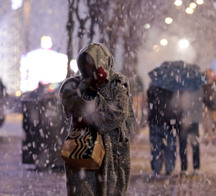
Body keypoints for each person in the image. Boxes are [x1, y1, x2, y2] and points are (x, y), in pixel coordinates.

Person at [60, 43, 135, 195]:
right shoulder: (74, 86)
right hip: (82, 148)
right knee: (83, 190)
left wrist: (91, 118)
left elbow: (119, 114)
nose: (90, 67)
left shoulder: (118, 84)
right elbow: (77, 110)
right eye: (86, 62)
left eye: (93, 62)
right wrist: (91, 89)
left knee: (111, 190)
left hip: (113, 151)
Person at [146, 84, 178, 176]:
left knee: (156, 147)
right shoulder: (172, 88)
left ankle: (156, 168)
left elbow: (149, 103)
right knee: (170, 147)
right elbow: (175, 105)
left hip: (155, 122)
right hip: (168, 122)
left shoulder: (152, 88)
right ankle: (169, 167)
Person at [178, 86, 203, 175]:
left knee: (186, 144)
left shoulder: (181, 87)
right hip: (186, 119)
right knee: (186, 143)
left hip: (189, 119)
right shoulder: (196, 87)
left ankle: (187, 167)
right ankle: (190, 167)